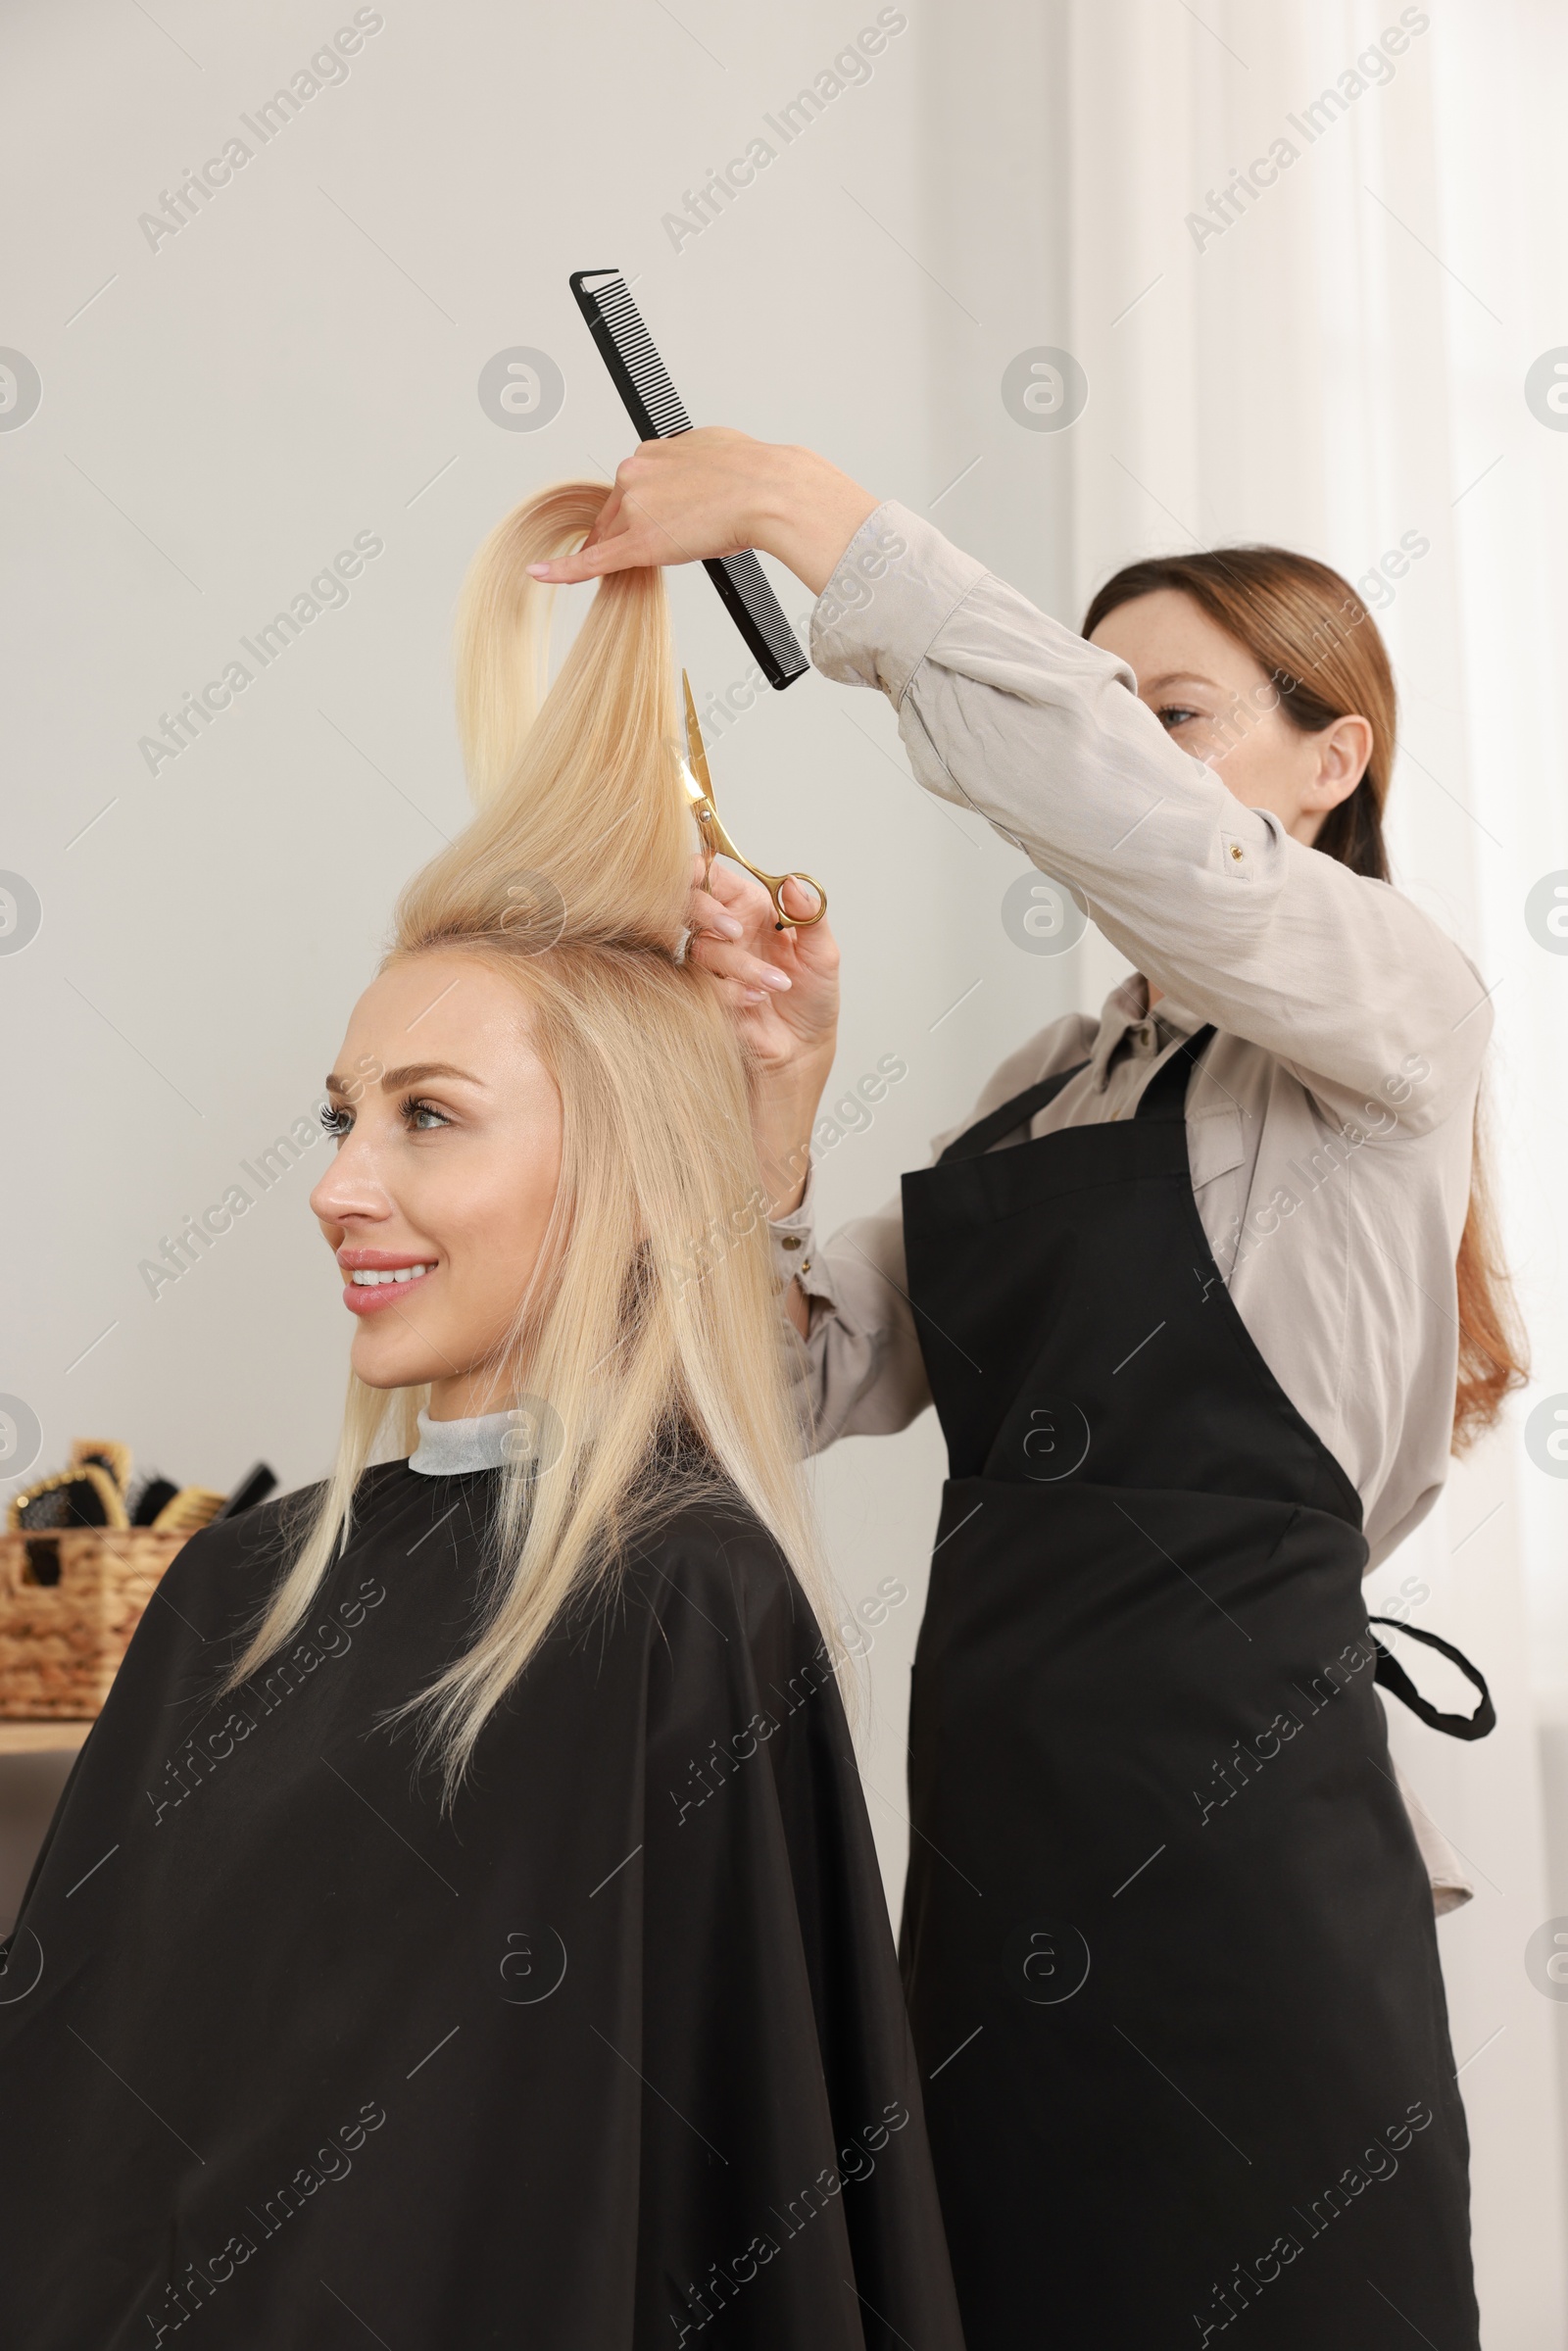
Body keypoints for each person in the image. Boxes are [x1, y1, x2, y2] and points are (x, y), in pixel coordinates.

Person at [531, 432, 1526, 2348]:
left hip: (1245, 1840)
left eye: (1174, 713)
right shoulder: (1040, 1090)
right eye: (1109, 707)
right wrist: (774, 1104)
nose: (1130, 755)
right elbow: (779, 1386)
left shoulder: (1390, 1021)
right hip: (999, 1838)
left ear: (1329, 764)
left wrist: (815, 526)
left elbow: (1159, 850)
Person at [0, 483, 966, 2351]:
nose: (341, 1184)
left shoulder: (677, 1607)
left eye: (426, 1117)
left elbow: (718, 2196)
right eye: (341, 1117)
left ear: (614, 1169)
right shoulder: (240, 1595)